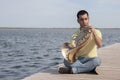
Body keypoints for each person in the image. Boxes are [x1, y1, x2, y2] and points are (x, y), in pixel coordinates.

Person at [58, 10, 102, 74]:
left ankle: (73, 70)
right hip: (79, 59)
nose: (84, 21)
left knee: (97, 61)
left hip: (91, 59)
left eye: (86, 19)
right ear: (78, 21)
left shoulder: (97, 32)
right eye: (81, 19)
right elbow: (73, 48)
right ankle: (89, 68)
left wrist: (94, 33)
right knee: (66, 61)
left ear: (88, 19)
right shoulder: (75, 35)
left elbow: (100, 45)